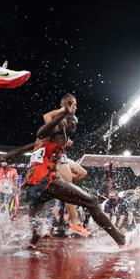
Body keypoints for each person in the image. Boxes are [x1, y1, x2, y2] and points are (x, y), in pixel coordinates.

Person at [2, 97, 125, 247]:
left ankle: (32, 244)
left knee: (36, 226)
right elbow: (43, 127)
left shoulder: (57, 137)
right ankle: (121, 240)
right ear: (63, 121)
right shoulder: (56, 131)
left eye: (76, 123)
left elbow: (20, 149)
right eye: (72, 121)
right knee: (91, 201)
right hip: (45, 179)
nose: (75, 125)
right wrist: (63, 111)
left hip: (32, 185)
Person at [42, 94, 90, 236]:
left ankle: (58, 187)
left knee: (82, 173)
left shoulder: (66, 120)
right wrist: (63, 109)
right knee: (69, 187)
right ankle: (75, 223)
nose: (76, 107)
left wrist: (66, 142)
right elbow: (46, 117)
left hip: (63, 155)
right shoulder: (60, 114)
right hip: (54, 157)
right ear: (67, 104)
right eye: (74, 104)